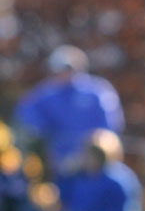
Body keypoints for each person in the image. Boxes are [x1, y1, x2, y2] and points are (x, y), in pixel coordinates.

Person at [13, 45, 125, 181]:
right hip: (59, 163)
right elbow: (27, 117)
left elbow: (110, 127)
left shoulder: (97, 91)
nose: (64, 73)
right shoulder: (47, 93)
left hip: (95, 164)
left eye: (68, 68)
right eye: (59, 69)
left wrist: (90, 153)